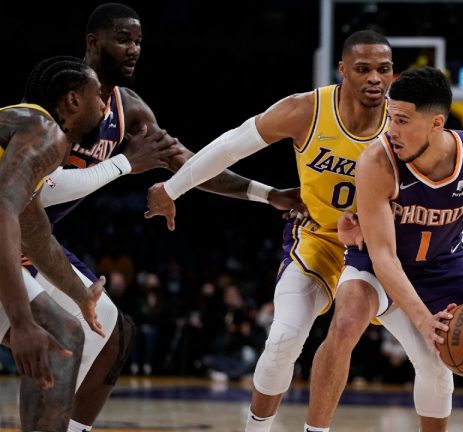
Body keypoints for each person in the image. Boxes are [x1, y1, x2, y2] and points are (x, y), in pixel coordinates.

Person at [24, 4, 301, 432]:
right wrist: (124, 165)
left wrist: (268, 195)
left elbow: (192, 164)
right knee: (63, 339)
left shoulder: (129, 110)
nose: (133, 49)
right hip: (15, 233)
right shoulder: (60, 94)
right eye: (122, 39)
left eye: (137, 41)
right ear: (92, 43)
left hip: (38, 243)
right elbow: (39, 190)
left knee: (114, 339)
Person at [144, 30, 394, 432]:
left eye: (383, 70)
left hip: (383, 251)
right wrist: (172, 189)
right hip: (319, 240)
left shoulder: (402, 123)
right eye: (362, 69)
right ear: (343, 70)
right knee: (283, 339)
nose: (374, 79)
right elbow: (229, 146)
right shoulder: (306, 110)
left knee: (432, 358)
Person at [330, 66, 463, 432]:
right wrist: (423, 319)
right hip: (379, 266)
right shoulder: (377, 162)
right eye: (389, 117)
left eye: (401, 120)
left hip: (444, 265)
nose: (390, 130)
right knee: (432, 363)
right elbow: (384, 256)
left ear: (436, 123)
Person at [0, 55, 106, 432]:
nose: (105, 106)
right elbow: (2, 213)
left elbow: (37, 237)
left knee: (62, 334)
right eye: (99, 97)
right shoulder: (46, 132)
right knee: (58, 334)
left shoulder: (25, 142)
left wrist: (81, 295)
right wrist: (22, 320)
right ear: (73, 102)